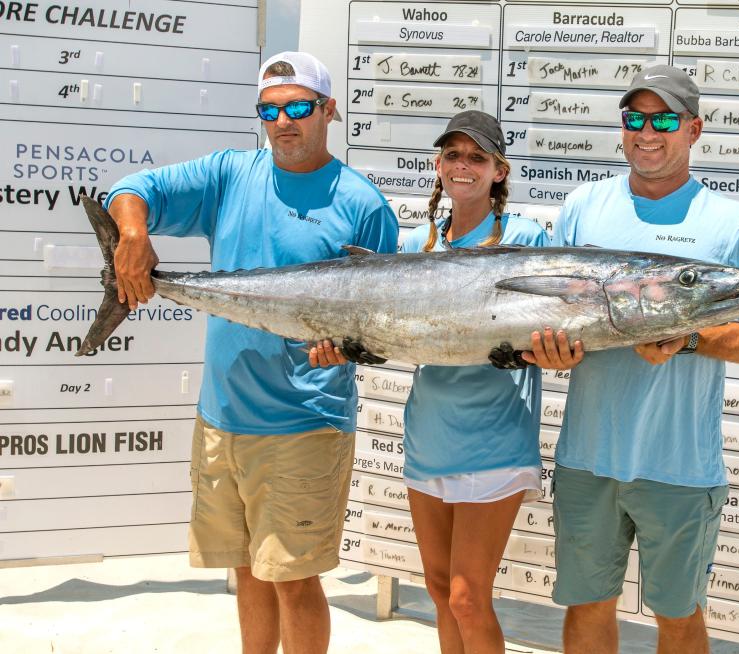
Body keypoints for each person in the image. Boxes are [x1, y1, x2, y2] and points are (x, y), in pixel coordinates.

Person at [105, 52, 398, 654]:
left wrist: (346, 350)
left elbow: (379, 326)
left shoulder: (364, 204)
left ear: (328, 110)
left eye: (298, 107)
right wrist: (134, 235)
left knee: (293, 579)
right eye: (270, 110)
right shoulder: (230, 173)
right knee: (246, 572)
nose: (283, 121)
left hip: (302, 424)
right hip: (221, 418)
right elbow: (133, 189)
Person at [536, 65, 739, 654]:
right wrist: (553, 353)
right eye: (636, 118)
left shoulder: (730, 222)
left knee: (677, 614)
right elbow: (550, 318)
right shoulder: (581, 208)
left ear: (694, 129)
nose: (649, 132)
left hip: (679, 466)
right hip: (587, 458)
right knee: (588, 604)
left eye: (666, 119)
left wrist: (689, 339)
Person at [399, 110, 549, 654]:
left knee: (468, 596)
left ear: (499, 171)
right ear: (439, 165)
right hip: (428, 437)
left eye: (477, 158)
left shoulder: (526, 238)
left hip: (496, 441)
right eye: (453, 156)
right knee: (440, 592)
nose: (464, 166)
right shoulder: (418, 242)